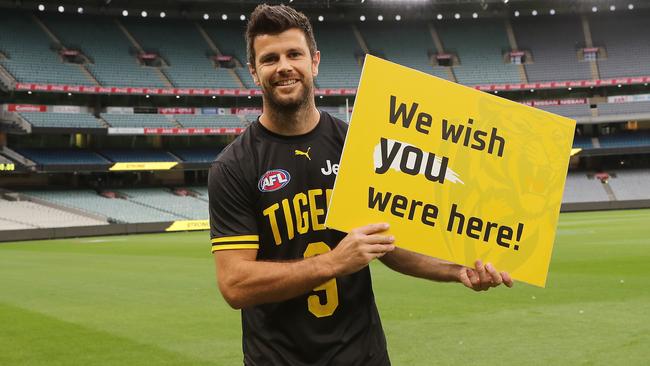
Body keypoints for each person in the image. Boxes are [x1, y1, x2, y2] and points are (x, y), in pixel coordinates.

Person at [208, 4, 513, 365]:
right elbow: (235, 284)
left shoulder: (358, 144)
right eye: (270, 58)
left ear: (315, 61)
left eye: (294, 54)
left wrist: (455, 270)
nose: (284, 66)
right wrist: (334, 262)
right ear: (255, 73)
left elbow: (389, 243)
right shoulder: (233, 166)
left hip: (362, 355)